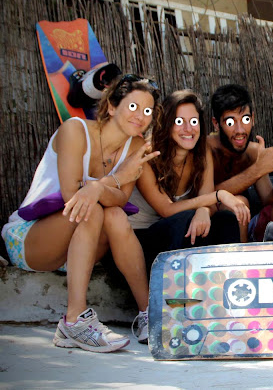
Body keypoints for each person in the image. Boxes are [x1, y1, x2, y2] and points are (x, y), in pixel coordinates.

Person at [1, 74, 162, 352]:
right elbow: (72, 197)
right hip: (33, 239)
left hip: (79, 249)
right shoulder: (75, 131)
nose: (140, 116)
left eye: (147, 111)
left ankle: (148, 313)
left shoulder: (135, 147)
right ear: (111, 106)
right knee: (92, 210)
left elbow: (120, 199)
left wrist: (97, 187)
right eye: (133, 106)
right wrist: (108, 183)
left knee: (115, 215)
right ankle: (73, 321)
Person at [127, 90, 250, 270]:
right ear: (166, 123)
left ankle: (229, 277)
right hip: (142, 239)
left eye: (193, 121)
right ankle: (177, 285)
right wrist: (219, 195)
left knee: (225, 219)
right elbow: (167, 210)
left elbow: (206, 198)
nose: (188, 129)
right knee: (185, 218)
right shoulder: (148, 155)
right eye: (179, 122)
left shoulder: (202, 152)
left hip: (180, 233)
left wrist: (203, 210)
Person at [207, 84, 273, 241]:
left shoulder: (253, 151)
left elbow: (268, 199)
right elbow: (206, 195)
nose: (240, 130)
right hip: (211, 230)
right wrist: (258, 169)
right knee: (237, 204)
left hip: (248, 224)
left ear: (253, 118)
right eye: (230, 122)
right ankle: (241, 256)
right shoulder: (207, 149)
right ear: (216, 123)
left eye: (245, 119)